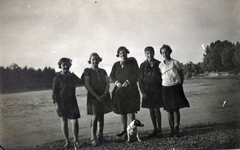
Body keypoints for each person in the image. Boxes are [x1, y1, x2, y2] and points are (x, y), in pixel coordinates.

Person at [159, 44, 190, 137]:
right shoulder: (160, 65)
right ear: (161, 54)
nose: (165, 54)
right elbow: (162, 77)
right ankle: (171, 129)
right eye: (163, 52)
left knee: (176, 109)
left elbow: (181, 75)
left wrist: (179, 85)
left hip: (175, 88)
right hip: (165, 88)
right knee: (168, 110)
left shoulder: (175, 62)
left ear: (170, 52)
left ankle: (177, 129)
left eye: (166, 52)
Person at [52, 57, 83, 148]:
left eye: (67, 64)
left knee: (75, 121)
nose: (65, 66)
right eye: (63, 65)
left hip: (72, 102)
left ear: (69, 65)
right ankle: (67, 141)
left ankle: (76, 141)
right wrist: (56, 103)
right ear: (60, 66)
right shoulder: (57, 77)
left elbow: (81, 82)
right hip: (61, 102)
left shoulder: (72, 76)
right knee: (64, 122)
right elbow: (54, 92)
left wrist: (85, 73)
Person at [110, 46, 140, 137]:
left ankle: (132, 131)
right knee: (122, 110)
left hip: (131, 90)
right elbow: (112, 75)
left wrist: (128, 82)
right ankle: (123, 130)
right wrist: (116, 82)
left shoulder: (132, 61)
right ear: (118, 55)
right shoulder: (116, 64)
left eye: (124, 52)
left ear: (127, 53)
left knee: (131, 110)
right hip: (119, 90)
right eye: (120, 53)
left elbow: (137, 73)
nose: (122, 54)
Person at [82, 53, 112, 146]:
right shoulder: (87, 71)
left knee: (101, 116)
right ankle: (93, 137)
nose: (95, 61)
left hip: (103, 96)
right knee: (94, 117)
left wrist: (104, 94)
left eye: (97, 59)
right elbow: (87, 85)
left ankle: (100, 136)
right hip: (93, 97)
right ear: (90, 60)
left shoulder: (103, 71)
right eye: (93, 59)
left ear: (99, 60)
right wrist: (96, 96)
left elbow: (107, 83)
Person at [139, 46, 164, 137]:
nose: (149, 55)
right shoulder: (142, 65)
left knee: (157, 110)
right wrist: (142, 91)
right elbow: (140, 80)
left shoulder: (159, 63)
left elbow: (163, 77)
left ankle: (159, 129)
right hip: (147, 90)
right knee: (151, 110)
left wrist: (163, 89)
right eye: (147, 53)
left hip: (157, 89)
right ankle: (154, 129)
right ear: (145, 54)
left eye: (151, 53)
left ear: (154, 53)